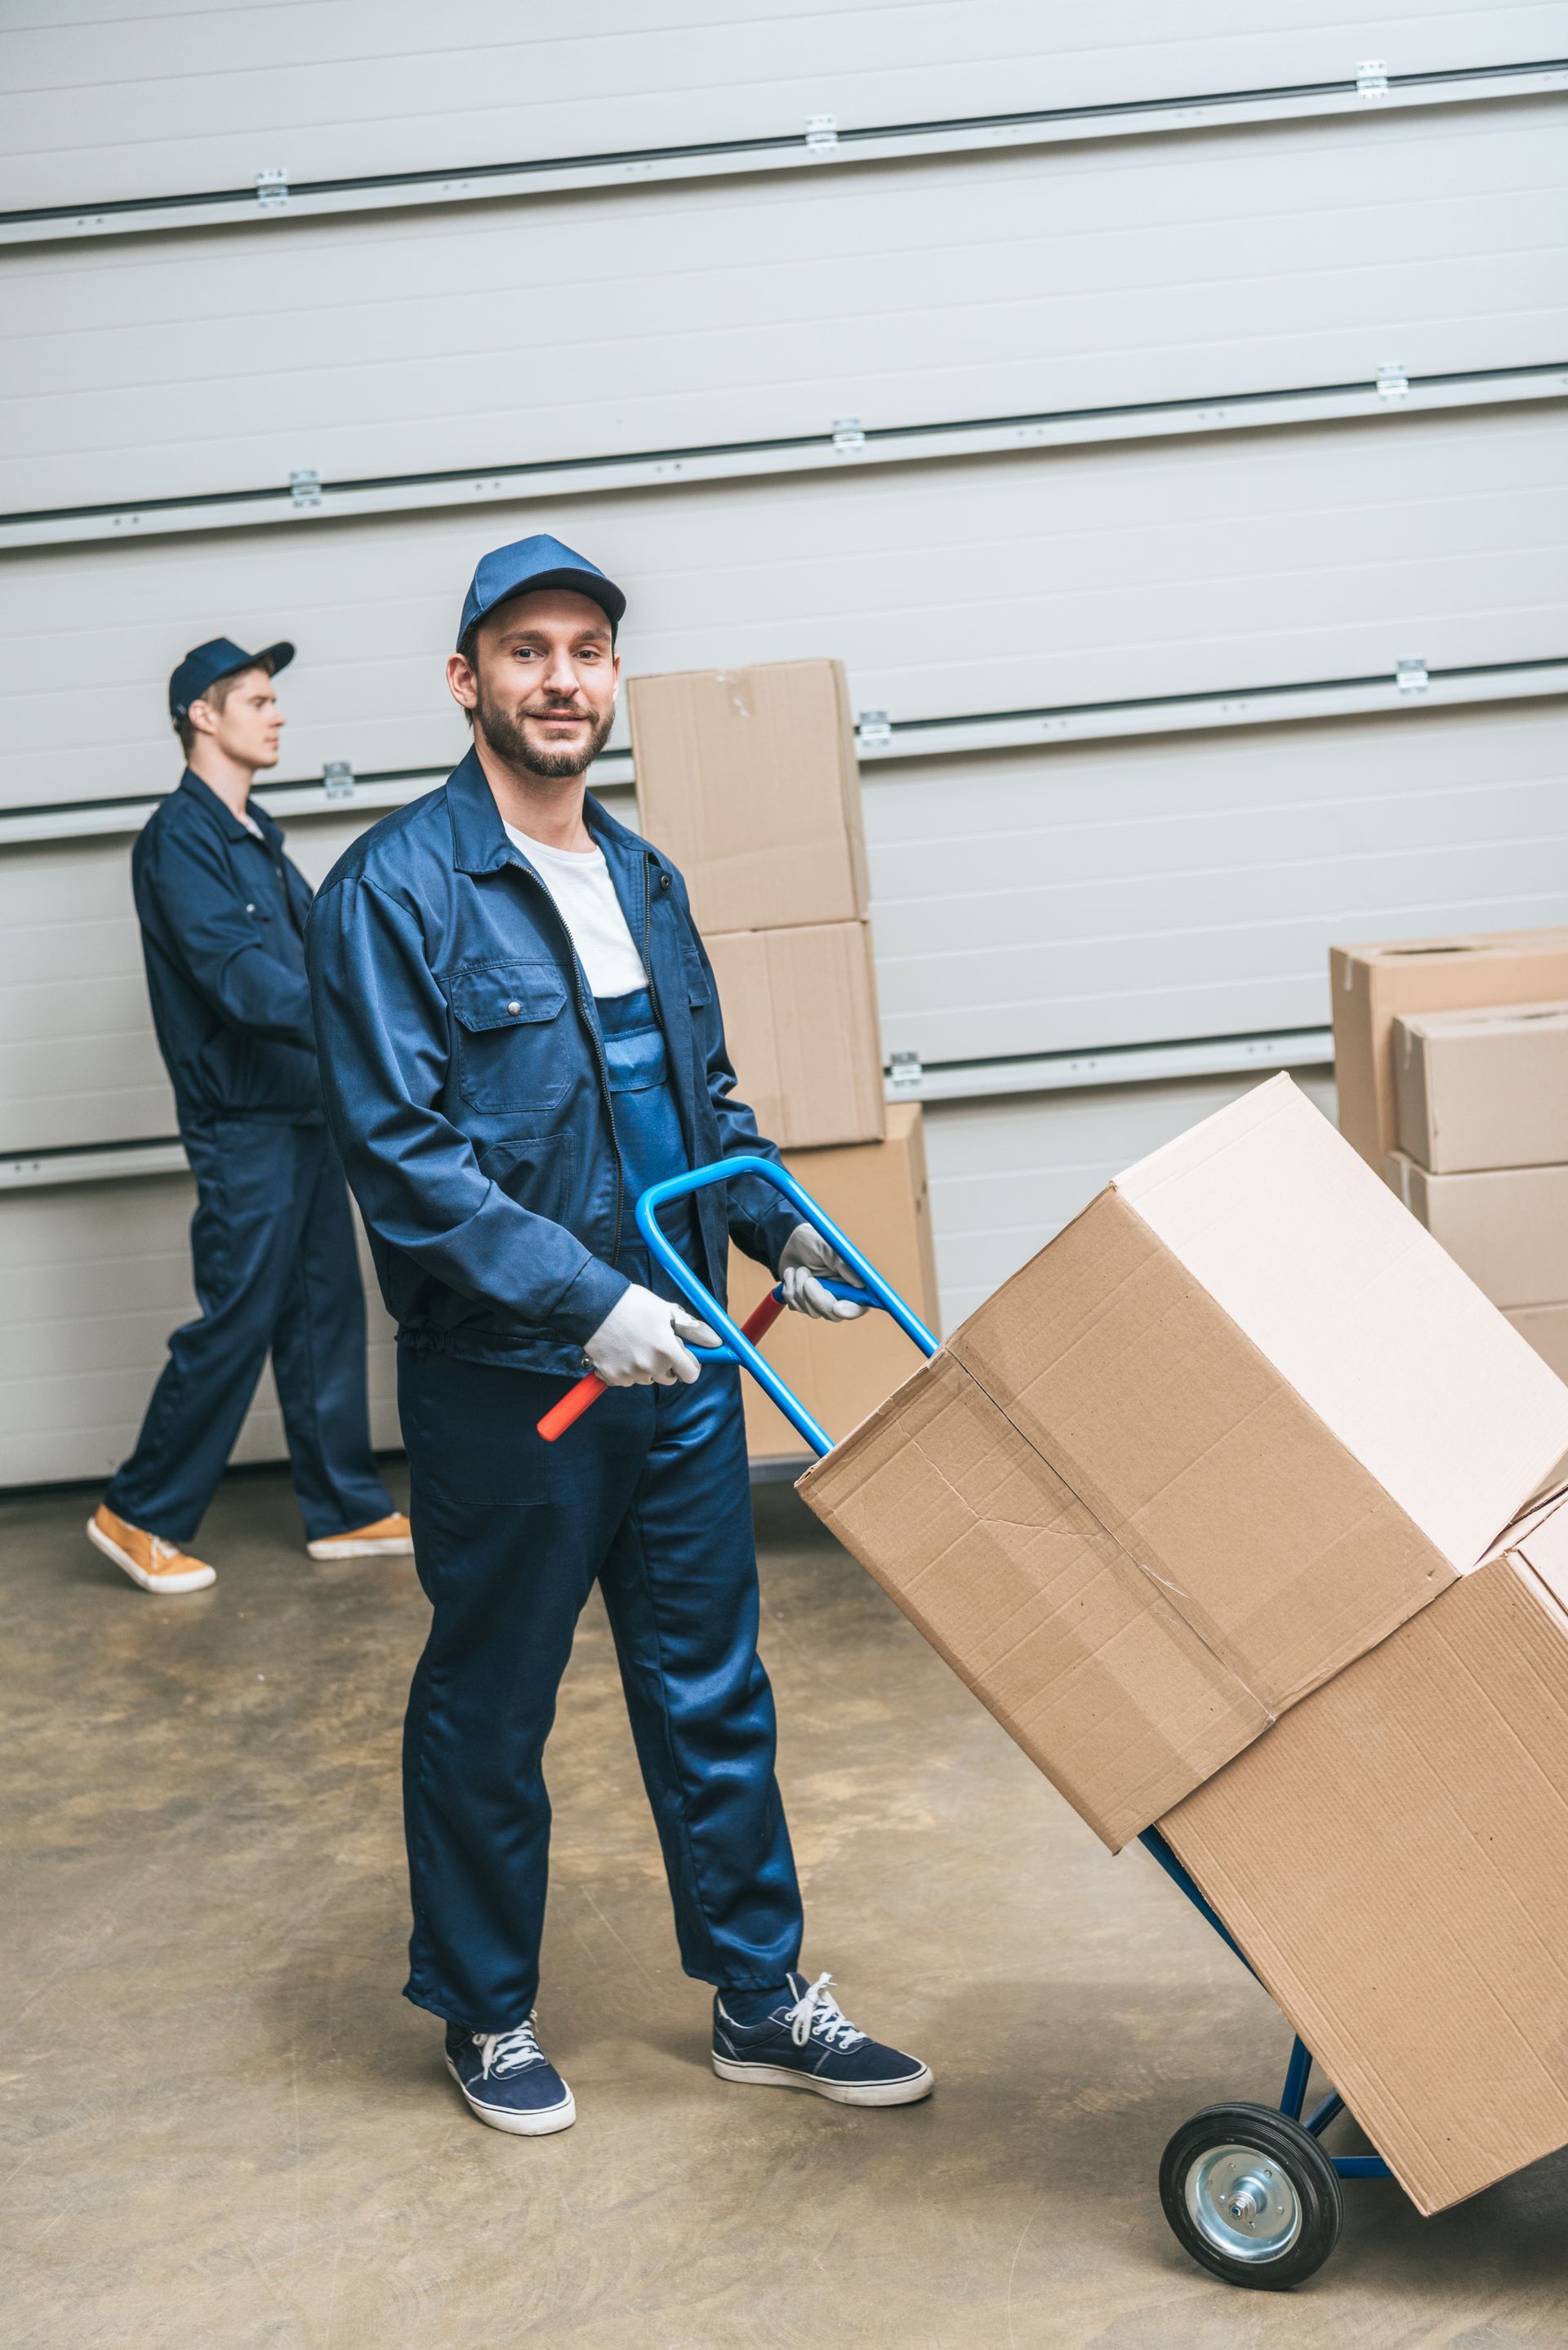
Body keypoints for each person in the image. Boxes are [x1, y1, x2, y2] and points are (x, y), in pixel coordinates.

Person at [306, 534, 932, 2137]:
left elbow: (707, 1109)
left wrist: (781, 1226)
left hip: (683, 1373)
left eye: (587, 649)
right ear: (468, 682)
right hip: (518, 1392)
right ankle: (484, 2008)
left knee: (714, 1687)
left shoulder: (644, 878)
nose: (563, 677)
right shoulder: (398, 890)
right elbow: (406, 1156)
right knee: (493, 1706)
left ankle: (759, 1993)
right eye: (527, 650)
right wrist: (586, 1300)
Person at [87, 638, 411, 1595]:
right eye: (259, 701)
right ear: (203, 715)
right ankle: (139, 1510)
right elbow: (241, 982)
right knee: (238, 1318)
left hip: (303, 1112)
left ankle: (344, 1506)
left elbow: (317, 956)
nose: (277, 716)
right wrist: (358, 1018)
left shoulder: (255, 833)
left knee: (323, 1312)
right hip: (243, 1124)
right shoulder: (181, 840)